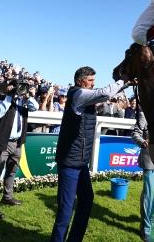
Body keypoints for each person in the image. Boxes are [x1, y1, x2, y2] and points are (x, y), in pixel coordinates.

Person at [50, 66, 128, 242]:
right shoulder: (78, 94)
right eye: (90, 80)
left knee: (86, 199)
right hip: (70, 161)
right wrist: (124, 80)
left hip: (80, 161)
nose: (93, 84)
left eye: (94, 80)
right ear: (80, 81)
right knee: (66, 209)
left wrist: (127, 83)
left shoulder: (85, 97)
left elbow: (103, 97)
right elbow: (104, 93)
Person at [0, 81, 38, 220]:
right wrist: (8, 95)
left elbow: (35, 107)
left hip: (17, 142)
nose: (18, 89)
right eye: (16, 87)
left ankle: (7, 197)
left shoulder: (23, 101)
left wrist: (28, 96)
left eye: (20, 87)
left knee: (12, 171)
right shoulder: (2, 99)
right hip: (2, 142)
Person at [131, 108, 154, 242]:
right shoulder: (144, 114)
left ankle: (148, 214)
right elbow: (135, 133)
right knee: (149, 193)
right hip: (149, 159)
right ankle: (145, 228)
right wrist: (142, 141)